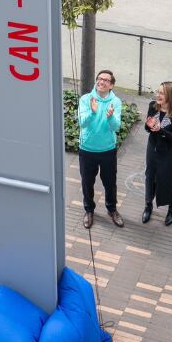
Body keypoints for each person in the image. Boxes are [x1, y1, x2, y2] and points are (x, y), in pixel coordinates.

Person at [77, 70, 125, 229]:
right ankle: (89, 210)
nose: (101, 82)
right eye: (99, 79)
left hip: (107, 149)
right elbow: (82, 123)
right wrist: (92, 111)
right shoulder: (85, 99)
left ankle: (112, 210)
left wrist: (111, 116)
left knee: (110, 183)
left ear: (111, 85)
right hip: (87, 149)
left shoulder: (115, 102)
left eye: (106, 80)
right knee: (87, 182)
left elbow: (116, 127)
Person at [140, 81, 172, 226]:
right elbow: (147, 129)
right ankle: (148, 206)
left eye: (162, 93)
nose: (158, 95)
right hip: (153, 148)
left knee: (170, 180)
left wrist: (160, 130)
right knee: (150, 176)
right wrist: (149, 126)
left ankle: (171, 210)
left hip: (169, 152)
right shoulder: (153, 106)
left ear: (170, 96)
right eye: (158, 92)